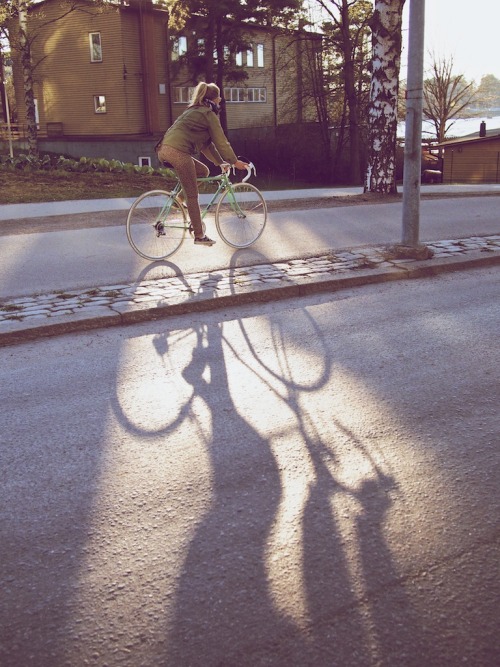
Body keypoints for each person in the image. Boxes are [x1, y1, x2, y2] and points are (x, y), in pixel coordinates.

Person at [156, 82, 249, 246]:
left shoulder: (194, 111)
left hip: (164, 149)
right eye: (219, 97)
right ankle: (199, 235)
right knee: (193, 195)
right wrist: (234, 161)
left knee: (203, 171)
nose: (220, 101)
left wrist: (221, 162)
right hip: (178, 152)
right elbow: (221, 141)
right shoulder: (208, 114)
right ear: (214, 99)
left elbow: (207, 145)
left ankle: (178, 199)